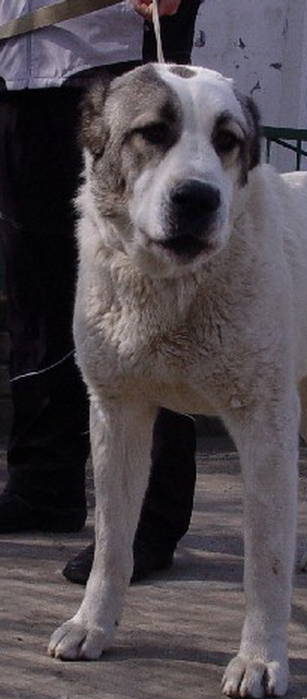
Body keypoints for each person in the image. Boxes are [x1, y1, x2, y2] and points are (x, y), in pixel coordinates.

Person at [0, 0, 202, 583]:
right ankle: (44, 486)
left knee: (147, 297)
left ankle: (147, 522)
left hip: (117, 69)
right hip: (15, 70)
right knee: (37, 297)